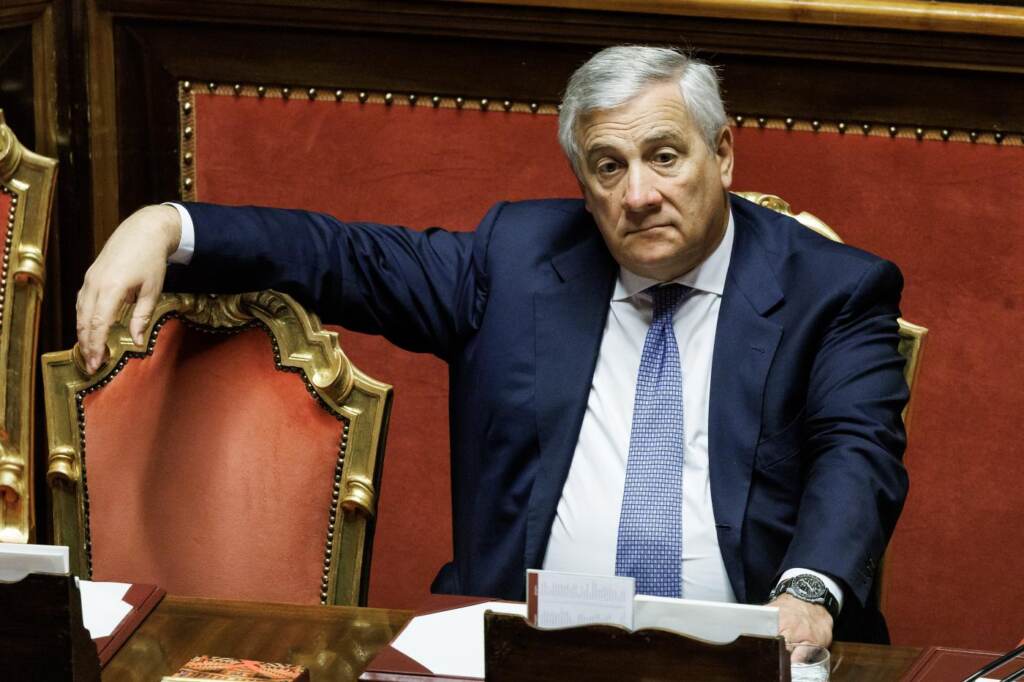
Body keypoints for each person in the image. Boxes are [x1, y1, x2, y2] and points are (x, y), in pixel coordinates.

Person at [76, 46, 909, 648]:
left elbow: (857, 452)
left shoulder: (832, 289)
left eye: (665, 157)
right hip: (527, 650)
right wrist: (167, 225)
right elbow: (345, 257)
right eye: (608, 167)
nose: (640, 194)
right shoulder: (516, 261)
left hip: (747, 651)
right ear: (583, 185)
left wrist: (808, 591)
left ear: (721, 153)